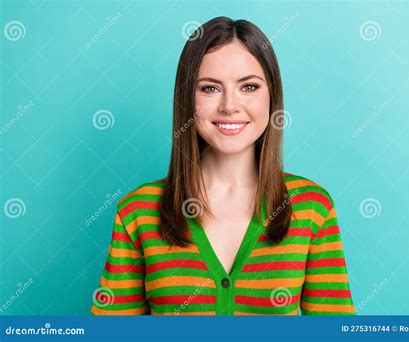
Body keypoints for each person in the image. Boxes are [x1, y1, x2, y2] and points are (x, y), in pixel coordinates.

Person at [91, 16, 355, 316]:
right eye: (209, 89)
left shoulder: (312, 207)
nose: (229, 106)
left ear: (272, 96)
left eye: (249, 87)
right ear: (186, 99)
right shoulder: (137, 212)